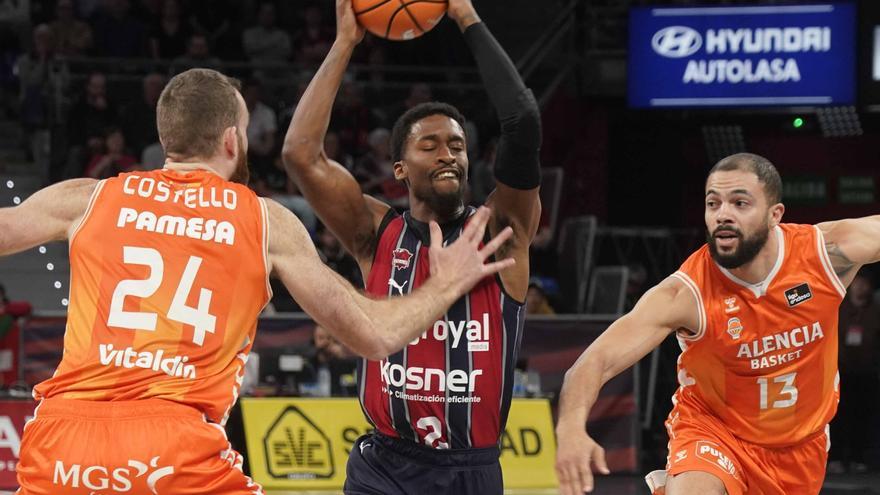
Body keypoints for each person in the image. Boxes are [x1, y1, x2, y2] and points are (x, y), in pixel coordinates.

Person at [3, 67, 514, 494]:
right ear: (232, 139)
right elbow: (375, 335)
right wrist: (447, 285)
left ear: (167, 138)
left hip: (62, 439)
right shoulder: (263, 220)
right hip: (175, 447)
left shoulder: (88, 197)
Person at [282, 0, 542, 492]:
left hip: (471, 468)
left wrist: (466, 15)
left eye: (458, 145)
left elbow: (523, 120)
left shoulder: (503, 229)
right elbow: (300, 154)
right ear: (399, 169)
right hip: (383, 464)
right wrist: (344, 45)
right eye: (430, 146)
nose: (448, 154)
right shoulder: (375, 232)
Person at [554, 152, 880, 495]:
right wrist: (571, 429)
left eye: (740, 203)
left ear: (775, 215)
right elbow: (593, 362)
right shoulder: (686, 293)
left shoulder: (824, 254)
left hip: (800, 446)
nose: (723, 214)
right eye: (713, 203)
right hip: (714, 431)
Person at [830, 273, 880, 473]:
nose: (861, 287)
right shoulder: (838, 307)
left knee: (862, 416)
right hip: (840, 371)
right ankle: (835, 457)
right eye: (857, 282)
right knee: (837, 416)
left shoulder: (875, 310)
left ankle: (859, 457)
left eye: (865, 283)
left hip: (866, 372)